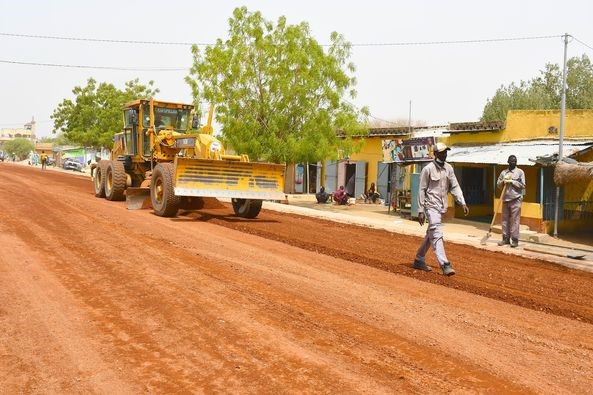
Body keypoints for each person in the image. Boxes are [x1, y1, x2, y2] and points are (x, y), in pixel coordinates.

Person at [412, 142, 469, 276]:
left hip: (441, 206)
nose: (445, 154)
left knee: (430, 234)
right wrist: (420, 210)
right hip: (430, 206)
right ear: (436, 154)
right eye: (442, 152)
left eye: (446, 152)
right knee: (437, 232)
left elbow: (455, 186)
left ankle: (419, 259)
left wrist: (462, 203)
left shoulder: (449, 168)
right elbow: (421, 190)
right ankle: (445, 264)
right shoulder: (428, 169)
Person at [496, 155, 526, 248]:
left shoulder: (520, 172)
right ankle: (505, 238)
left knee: (515, 220)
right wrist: (503, 181)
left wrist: (512, 181)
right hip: (505, 199)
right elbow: (498, 185)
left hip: (516, 199)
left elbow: (523, 185)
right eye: (512, 161)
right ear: (508, 162)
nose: (513, 163)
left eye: (515, 161)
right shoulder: (504, 172)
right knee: (504, 220)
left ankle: (515, 240)